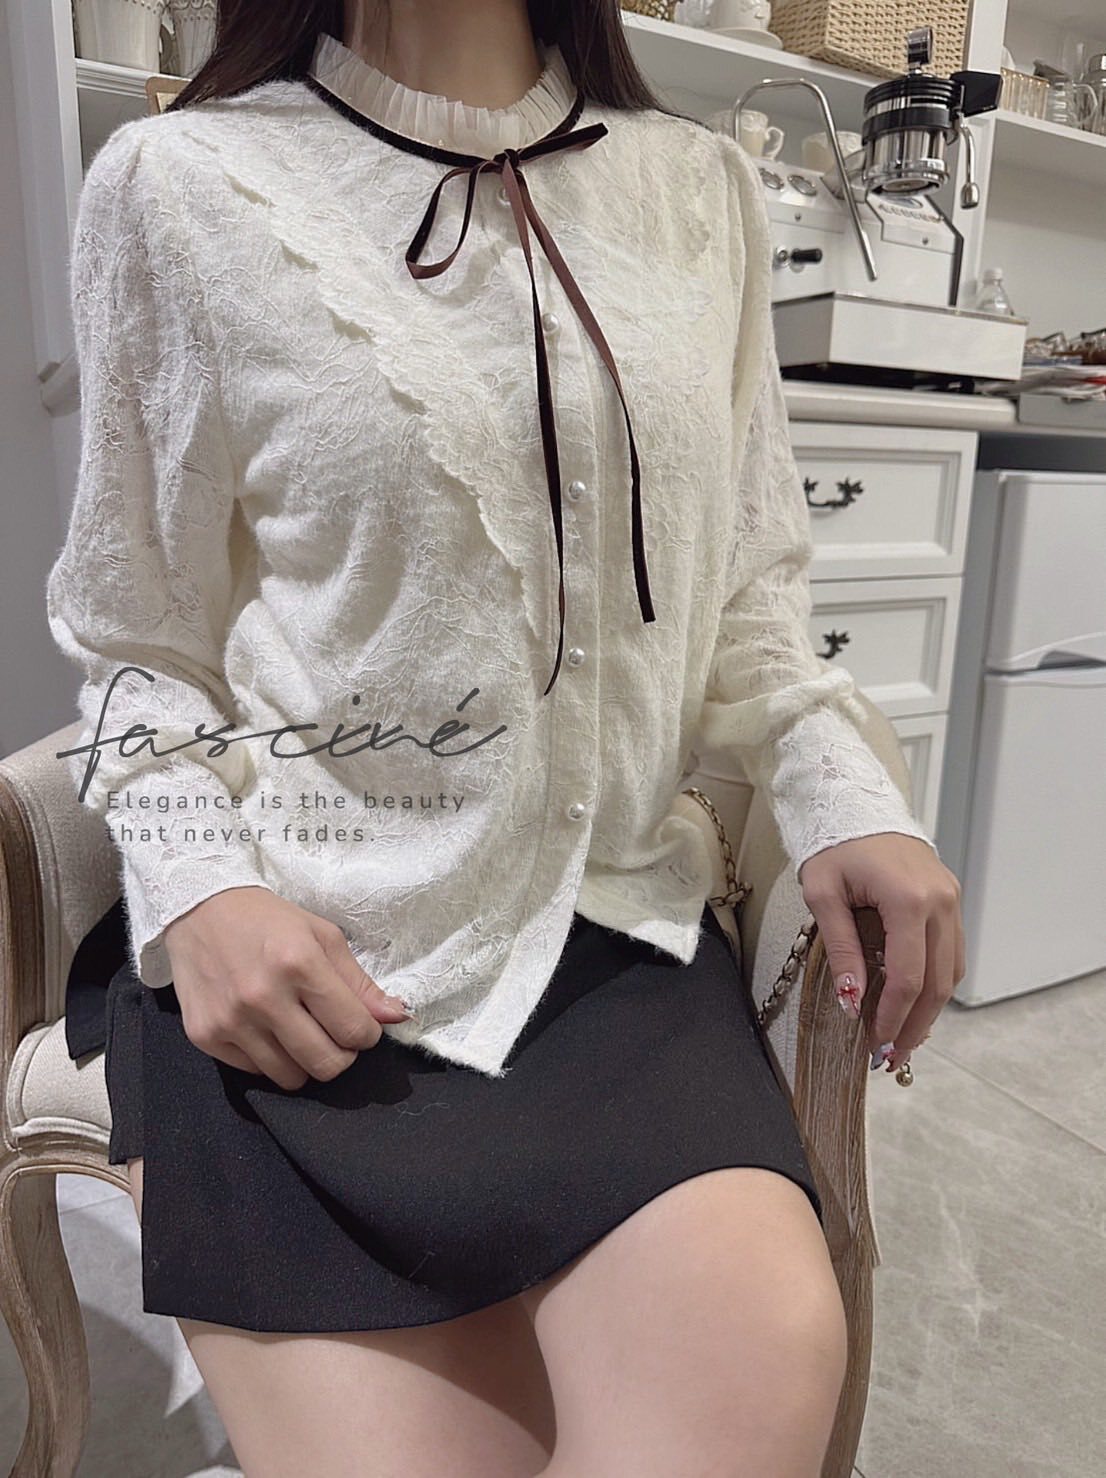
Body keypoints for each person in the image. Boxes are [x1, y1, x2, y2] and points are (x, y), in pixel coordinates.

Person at [47, 0, 966, 1472]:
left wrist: (845, 788)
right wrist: (198, 891)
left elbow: (752, 597)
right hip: (308, 975)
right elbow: (133, 647)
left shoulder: (698, 190)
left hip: (617, 956)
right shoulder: (179, 187)